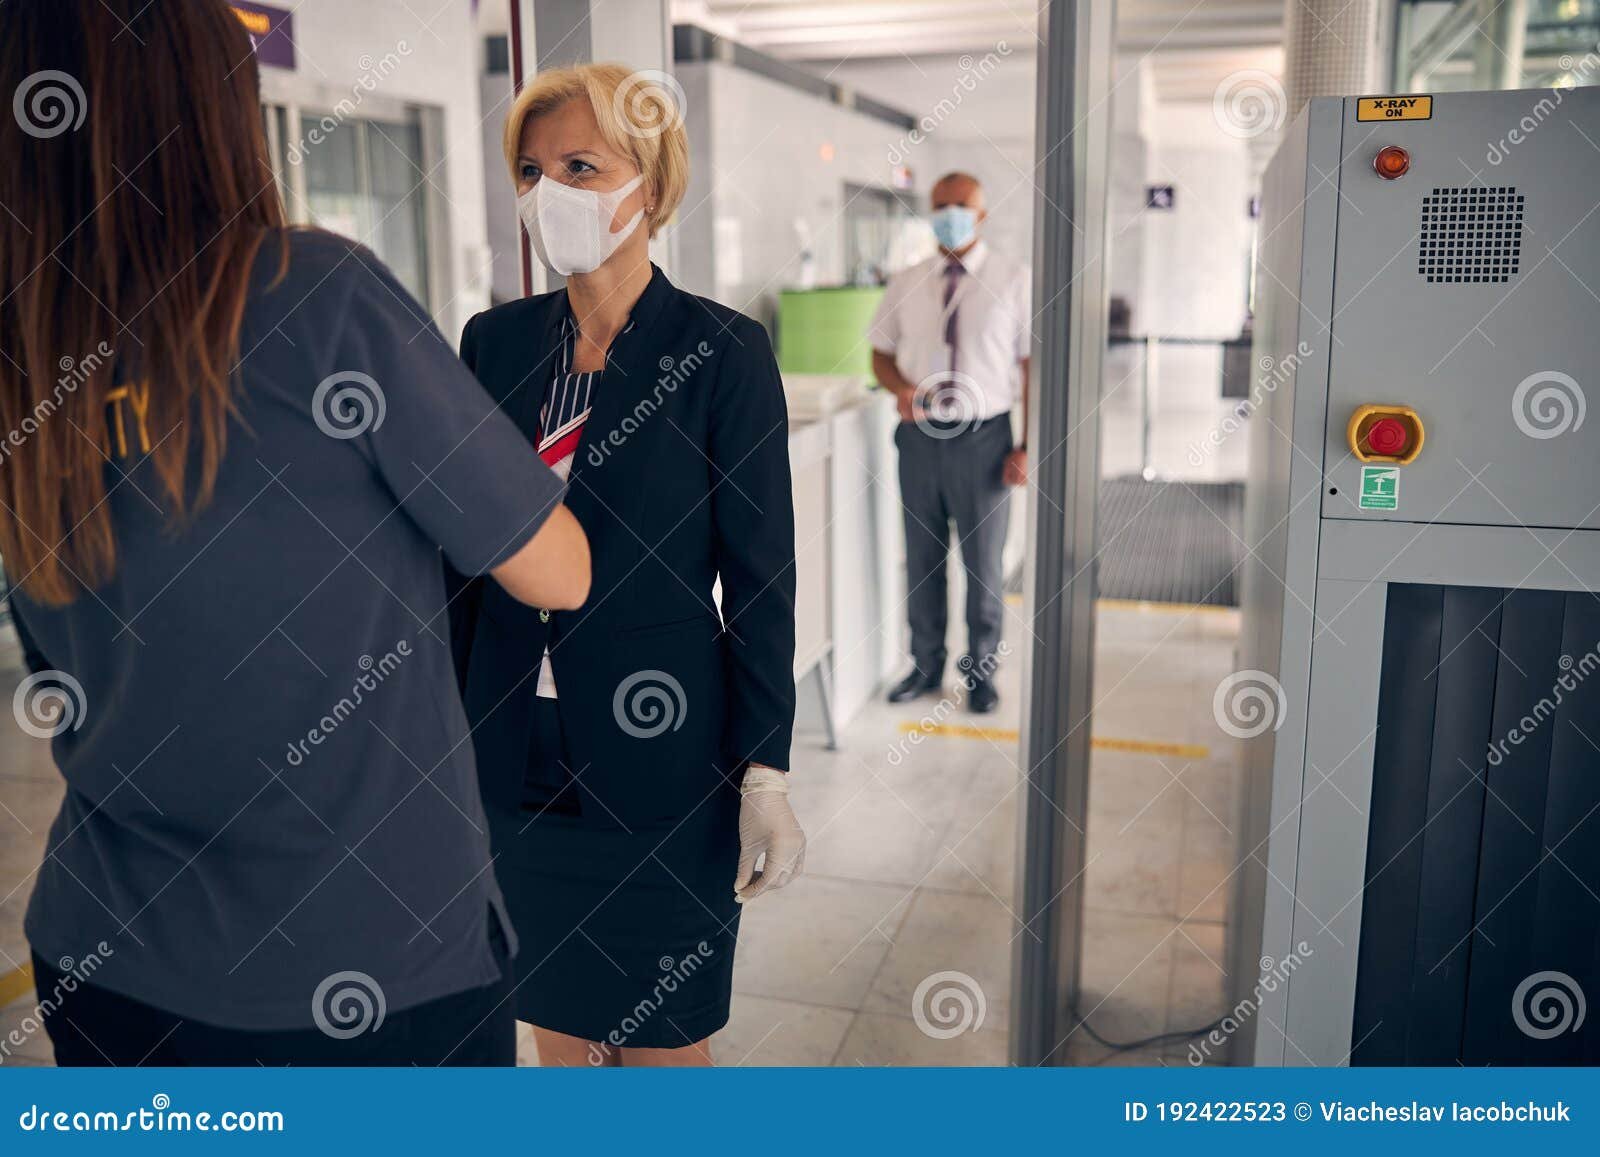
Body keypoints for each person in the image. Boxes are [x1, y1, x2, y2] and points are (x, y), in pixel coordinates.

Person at [0, 0, 589, 1066]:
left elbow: (58, 651)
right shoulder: (311, 294)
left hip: (107, 957)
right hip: (361, 959)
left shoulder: (27, 350)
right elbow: (557, 568)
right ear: (214, 115)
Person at [447, 63, 804, 1067]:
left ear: (649, 183)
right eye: (529, 168)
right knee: (555, 1027)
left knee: (661, 1046)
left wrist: (765, 768)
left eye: (578, 165)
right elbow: (461, 559)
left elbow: (760, 576)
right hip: (512, 744)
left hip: (664, 751)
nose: (545, 191)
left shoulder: (721, 351)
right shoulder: (496, 342)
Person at [868, 172, 1032, 714]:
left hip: (985, 439)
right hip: (919, 438)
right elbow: (881, 352)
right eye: (941, 206)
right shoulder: (907, 280)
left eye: (962, 205)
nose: (951, 214)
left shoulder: (1014, 278)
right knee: (922, 558)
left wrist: (1028, 445)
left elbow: (1031, 369)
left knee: (984, 564)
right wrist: (899, 388)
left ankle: (982, 674)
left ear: (982, 213)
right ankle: (924, 665)